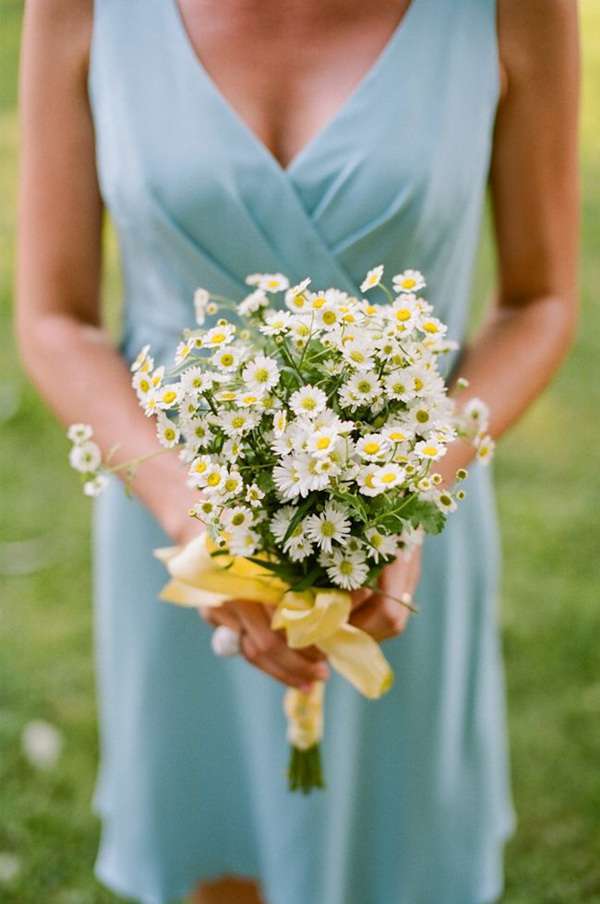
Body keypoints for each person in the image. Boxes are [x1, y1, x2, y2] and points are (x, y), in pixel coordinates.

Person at [16, 1, 579, 902]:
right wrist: (199, 516)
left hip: (404, 538)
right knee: (211, 858)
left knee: (402, 862)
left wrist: (404, 492)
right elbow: (53, 318)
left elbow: (540, 299)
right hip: (177, 530)